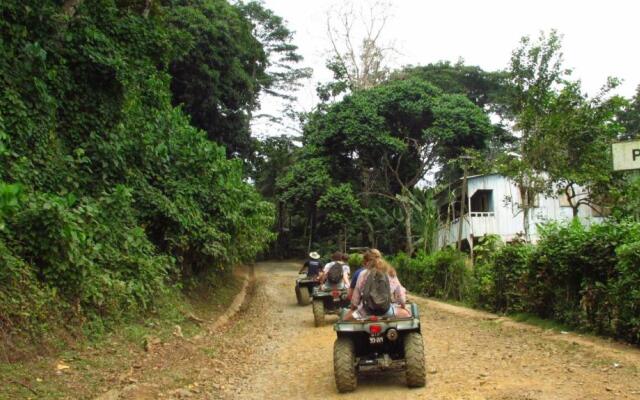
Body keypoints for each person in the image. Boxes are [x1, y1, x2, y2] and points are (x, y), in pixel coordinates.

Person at [346, 255, 411, 320]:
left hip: (366, 312)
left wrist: (352, 309)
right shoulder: (391, 273)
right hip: (387, 311)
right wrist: (403, 306)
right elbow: (400, 296)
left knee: (345, 319)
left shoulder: (363, 274)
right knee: (407, 315)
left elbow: (355, 299)